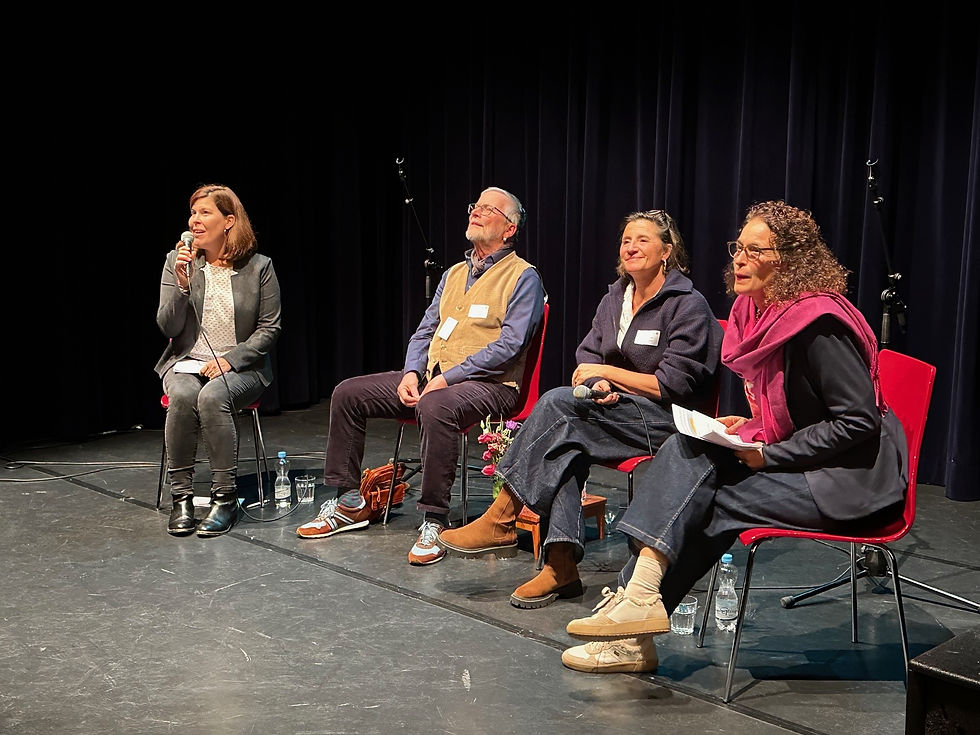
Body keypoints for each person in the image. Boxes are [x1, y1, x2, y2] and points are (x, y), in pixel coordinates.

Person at [559, 200, 908, 675]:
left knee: (710, 500)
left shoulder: (818, 325)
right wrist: (749, 427)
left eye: (753, 250)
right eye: (737, 248)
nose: (738, 260)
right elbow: (793, 410)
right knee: (689, 452)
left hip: (849, 480)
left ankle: (632, 623)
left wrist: (771, 452)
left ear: (786, 260)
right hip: (804, 462)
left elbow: (857, 423)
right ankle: (636, 607)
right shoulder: (756, 314)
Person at [436, 209, 724, 609]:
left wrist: (606, 373)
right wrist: (597, 383)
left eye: (642, 239)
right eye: (626, 240)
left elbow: (673, 383)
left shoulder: (687, 304)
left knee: (557, 406)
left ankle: (502, 516)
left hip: (667, 419)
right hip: (615, 411)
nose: (631, 247)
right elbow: (586, 357)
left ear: (667, 251)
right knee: (564, 444)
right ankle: (560, 565)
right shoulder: (614, 298)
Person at [296, 186, 546, 566]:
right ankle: (348, 500)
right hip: (432, 379)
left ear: (509, 229)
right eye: (474, 207)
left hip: (490, 386)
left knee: (435, 404)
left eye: (487, 210)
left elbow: (510, 345)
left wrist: (450, 378)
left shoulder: (522, 277)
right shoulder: (453, 273)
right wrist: (412, 372)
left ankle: (434, 519)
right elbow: (426, 330)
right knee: (348, 393)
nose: (475, 213)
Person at [155, 184, 282, 538]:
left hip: (243, 367)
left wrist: (229, 360)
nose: (195, 220)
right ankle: (181, 497)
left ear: (228, 221)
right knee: (182, 395)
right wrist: (182, 286)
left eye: (204, 212)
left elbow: (269, 329)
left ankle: (224, 497)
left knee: (212, 397)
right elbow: (167, 326)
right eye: (193, 213)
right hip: (186, 361)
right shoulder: (176, 261)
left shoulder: (259, 267)